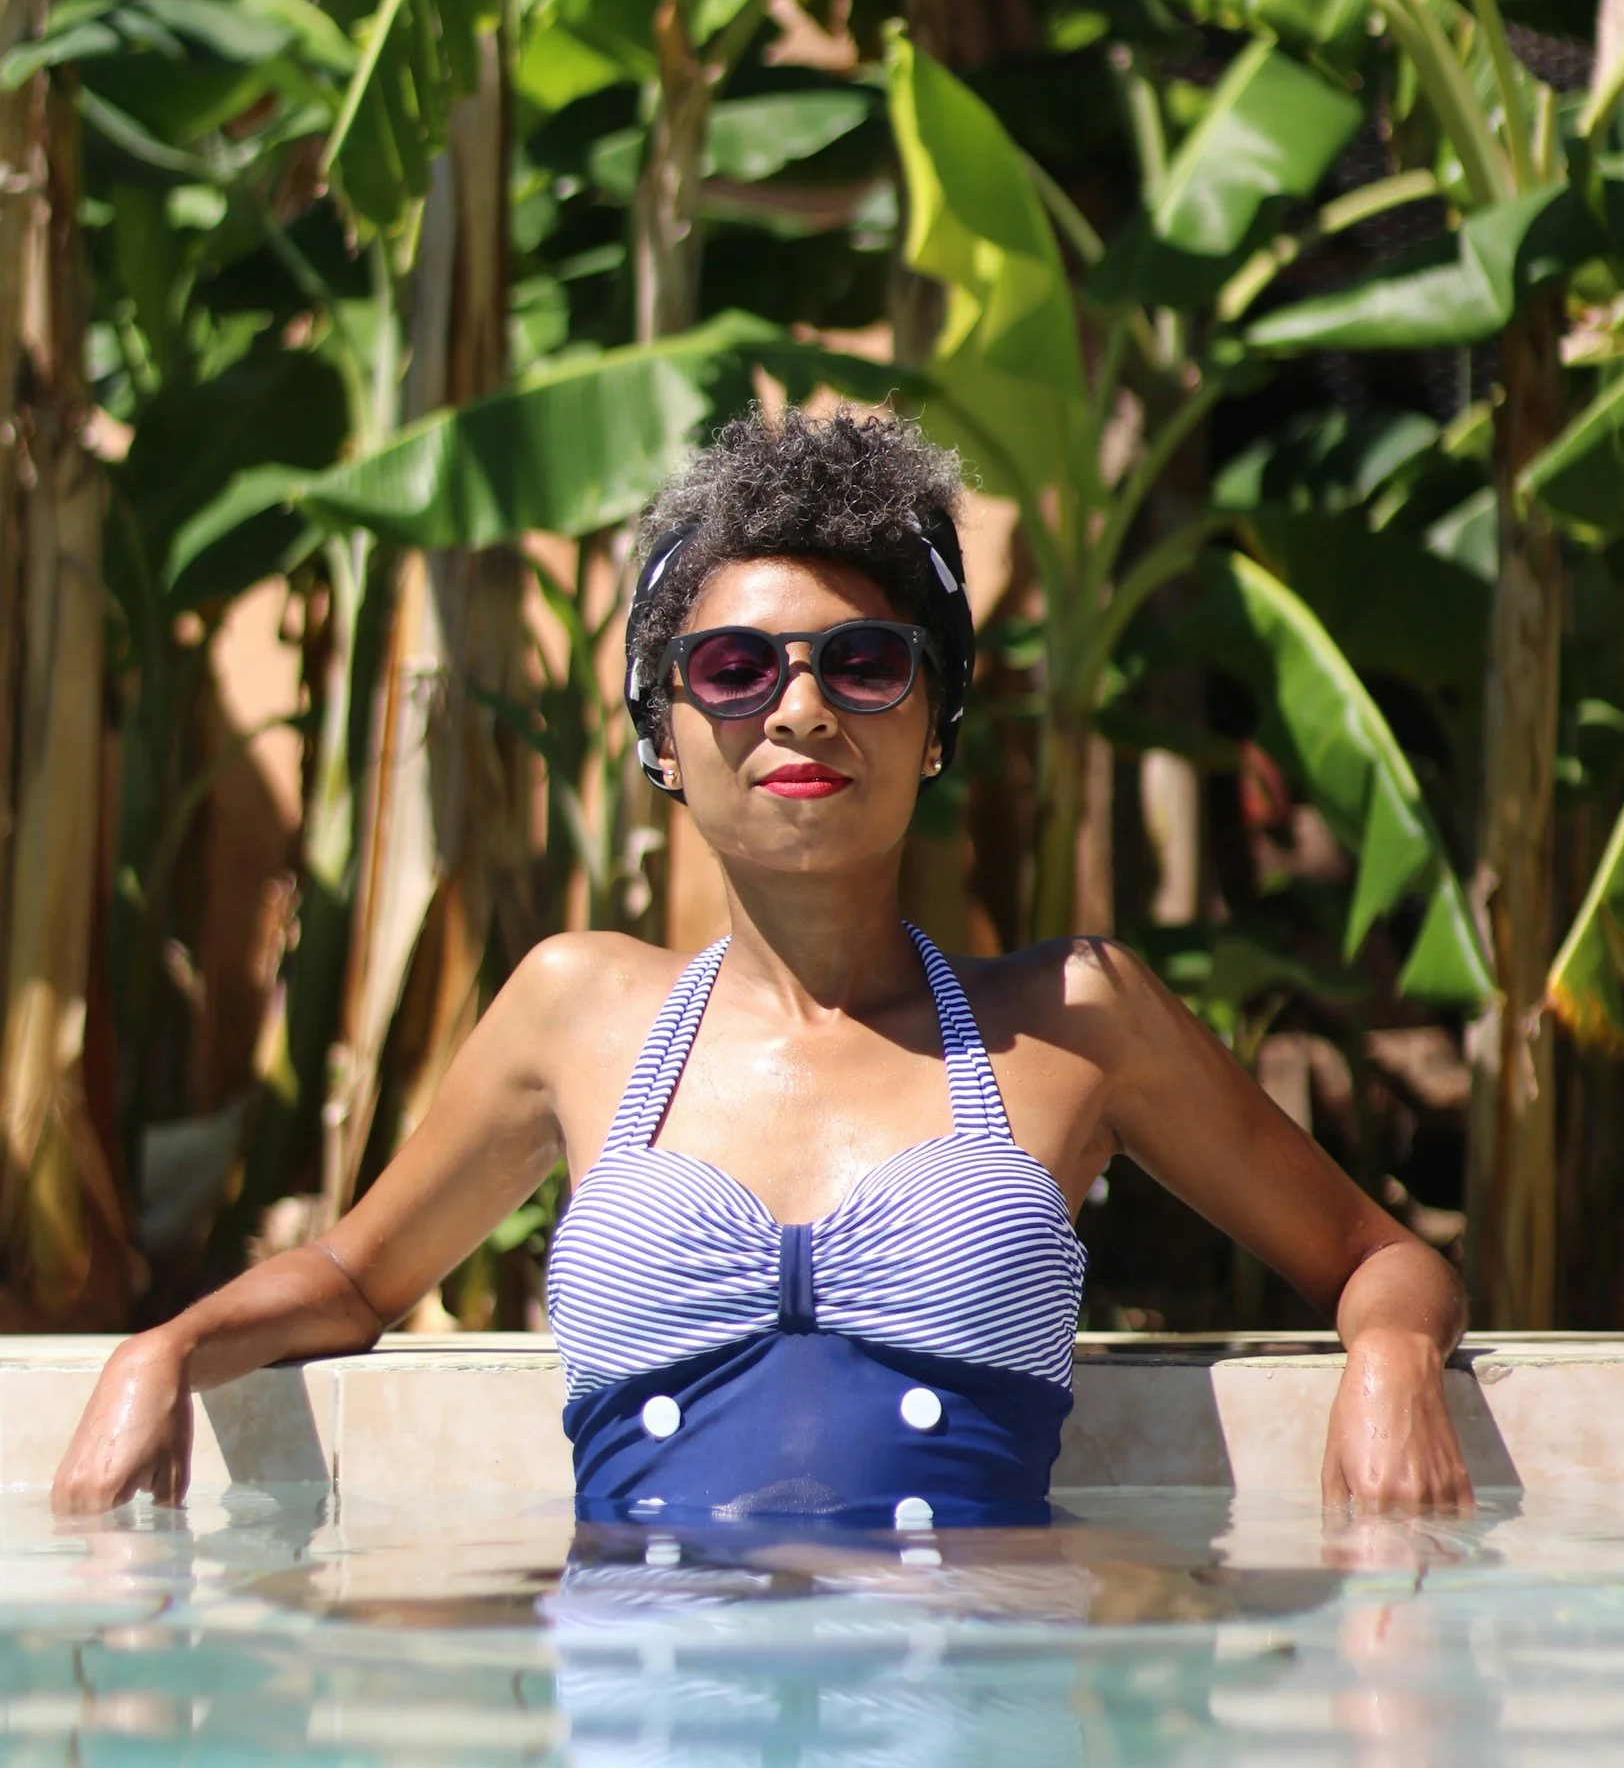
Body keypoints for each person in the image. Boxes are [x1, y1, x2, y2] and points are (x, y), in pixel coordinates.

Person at [53, 410, 1474, 1523]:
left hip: (959, 1723)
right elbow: (356, 1280)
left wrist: (1394, 1360)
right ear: (664, 737)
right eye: (732, 669)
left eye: (863, 662)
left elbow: (1376, 1259)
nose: (799, 709)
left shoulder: (1073, 1021)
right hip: (659, 1730)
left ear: (937, 722)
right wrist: (159, 1352)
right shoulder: (574, 1008)